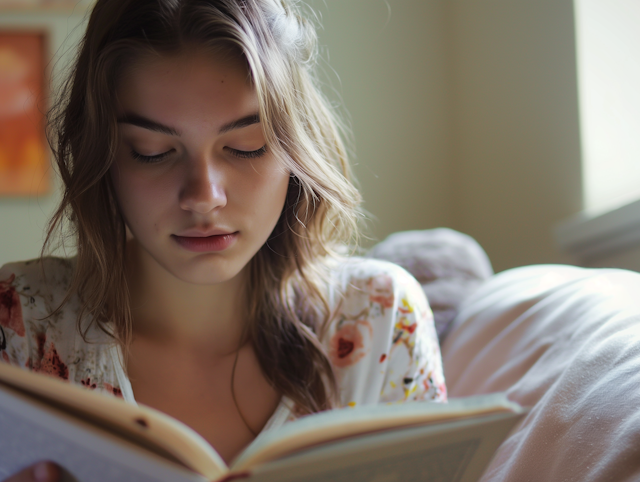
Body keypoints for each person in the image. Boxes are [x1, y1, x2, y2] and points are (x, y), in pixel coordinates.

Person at [0, 0, 446, 480]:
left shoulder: (380, 317)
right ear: (103, 157)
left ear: (296, 148)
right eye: (152, 152)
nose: (204, 197)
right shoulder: (20, 326)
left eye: (245, 145)